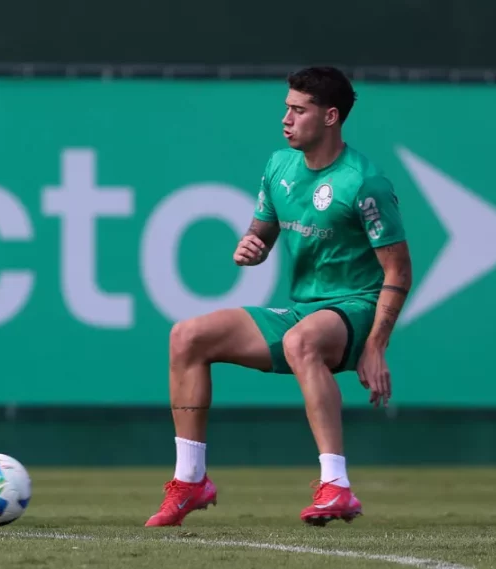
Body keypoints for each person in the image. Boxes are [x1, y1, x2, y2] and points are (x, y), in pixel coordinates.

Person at [144, 66, 411, 527]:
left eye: (298, 110)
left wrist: (376, 345)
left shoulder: (364, 182)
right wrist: (251, 246)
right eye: (286, 108)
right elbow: (261, 232)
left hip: (358, 306)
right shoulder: (279, 166)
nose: (286, 119)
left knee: (300, 341)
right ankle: (190, 482)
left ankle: (336, 485)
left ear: (330, 117)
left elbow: (398, 269)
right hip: (304, 308)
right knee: (187, 337)